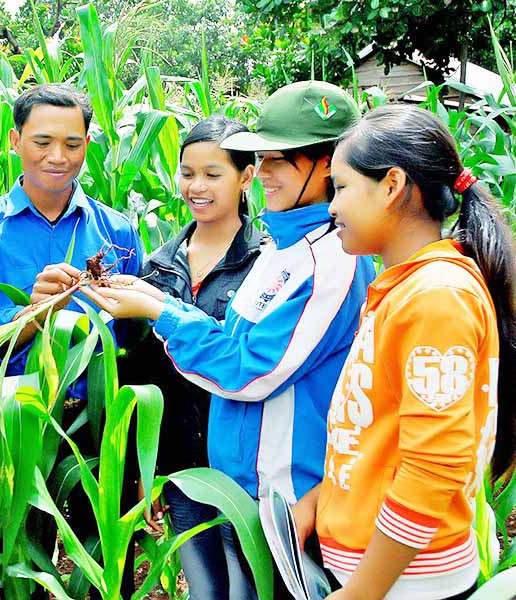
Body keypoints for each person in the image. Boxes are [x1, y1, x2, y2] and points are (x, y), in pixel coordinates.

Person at [83, 81, 376, 598]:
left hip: (284, 495)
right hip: (235, 485)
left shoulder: (331, 258)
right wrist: (159, 301)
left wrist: (159, 312)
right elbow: (223, 337)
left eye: (276, 160)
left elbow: (251, 370)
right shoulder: (280, 252)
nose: (262, 173)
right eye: (258, 159)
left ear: (326, 164)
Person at [291, 105, 516, 600]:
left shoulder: (436, 297)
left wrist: (360, 593)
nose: (332, 207)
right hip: (382, 574)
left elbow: (432, 469)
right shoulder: (405, 287)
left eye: (343, 187)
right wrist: (323, 498)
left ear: (392, 185)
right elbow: (382, 434)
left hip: (404, 582)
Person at [0, 83, 142, 599]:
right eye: (42, 142)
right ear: (14, 140)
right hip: (20, 422)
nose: (58, 157)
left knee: (108, 565)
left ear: (87, 145)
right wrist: (36, 311)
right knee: (25, 564)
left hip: (102, 421)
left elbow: (136, 338)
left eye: (73, 144)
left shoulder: (119, 232)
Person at [119, 115, 262, 597]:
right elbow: (142, 377)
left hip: (246, 469)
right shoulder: (158, 266)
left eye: (213, 174)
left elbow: (256, 365)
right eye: (187, 173)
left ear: (246, 177)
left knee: (247, 585)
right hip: (180, 466)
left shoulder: (269, 263)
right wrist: (148, 470)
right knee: (203, 586)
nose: (196, 187)